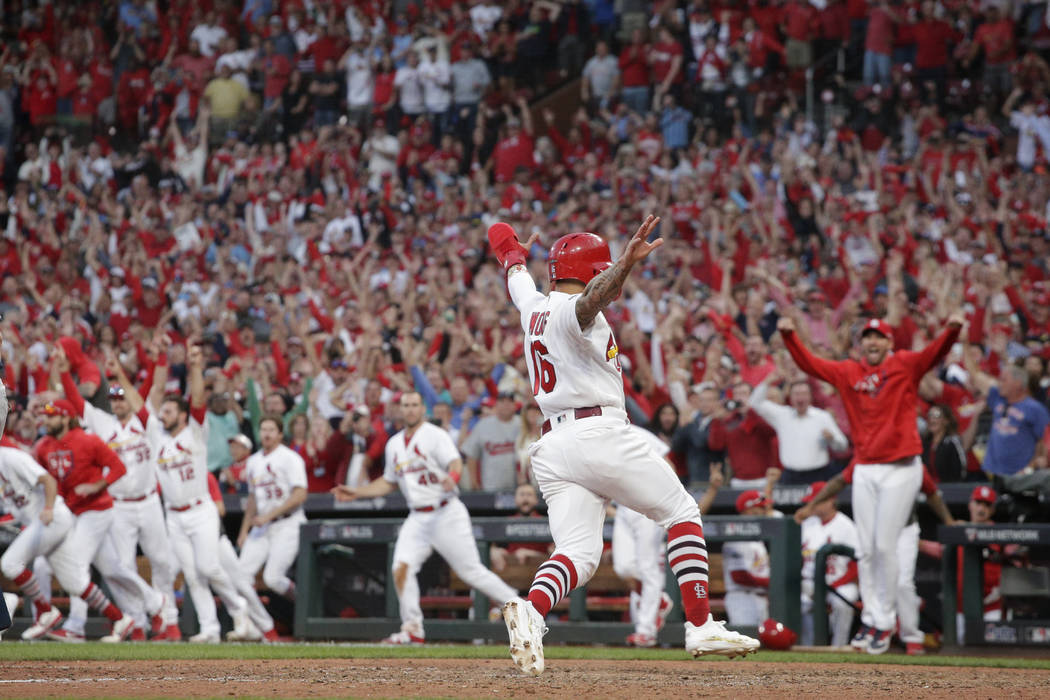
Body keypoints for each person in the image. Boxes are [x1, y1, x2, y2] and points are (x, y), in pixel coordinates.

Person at [489, 217, 758, 676]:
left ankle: (531, 612)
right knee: (681, 512)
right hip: (597, 432)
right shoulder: (572, 310)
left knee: (578, 552)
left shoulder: (532, 303)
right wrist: (624, 269)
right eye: (603, 269)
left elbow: (512, 263)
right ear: (594, 271)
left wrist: (511, 246)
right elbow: (593, 299)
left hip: (553, 445)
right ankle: (700, 625)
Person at [778, 314, 963, 654]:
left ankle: (884, 622)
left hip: (902, 466)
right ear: (861, 343)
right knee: (865, 550)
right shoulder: (849, 371)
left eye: (879, 337)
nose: (873, 342)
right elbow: (812, 364)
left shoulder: (905, 364)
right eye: (868, 337)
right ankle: (873, 621)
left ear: (890, 343)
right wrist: (789, 337)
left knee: (883, 545)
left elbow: (934, 353)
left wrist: (952, 330)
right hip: (865, 466)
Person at [331, 391, 518, 645]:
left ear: (422, 409)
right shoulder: (394, 443)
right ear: (399, 409)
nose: (409, 410)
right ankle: (412, 629)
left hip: (446, 511)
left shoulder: (435, 435)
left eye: (414, 405)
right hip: (418, 516)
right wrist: (356, 492)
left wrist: (451, 480)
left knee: (472, 572)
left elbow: (455, 464)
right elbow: (388, 482)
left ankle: (521, 608)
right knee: (401, 568)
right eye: (405, 405)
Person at [56, 347, 180, 640]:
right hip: (119, 506)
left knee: (161, 561)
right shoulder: (103, 422)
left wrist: (119, 375)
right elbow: (75, 400)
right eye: (114, 398)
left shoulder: (145, 423)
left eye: (122, 397)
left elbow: (150, 393)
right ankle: (137, 622)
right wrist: (63, 371)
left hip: (148, 500)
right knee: (123, 566)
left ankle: (169, 620)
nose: (118, 402)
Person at [140, 344, 252, 643]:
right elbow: (146, 401)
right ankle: (210, 629)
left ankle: (240, 611)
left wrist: (195, 367)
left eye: (168, 410)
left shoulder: (195, 431)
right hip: (174, 516)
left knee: (208, 567)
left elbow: (199, 398)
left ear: (182, 414)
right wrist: (159, 363)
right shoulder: (158, 440)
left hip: (200, 509)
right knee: (191, 575)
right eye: (162, 410)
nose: (162, 415)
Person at [797, 462, 957, 655]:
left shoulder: (913, 463)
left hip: (904, 530)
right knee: (871, 574)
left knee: (902, 583)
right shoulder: (868, 457)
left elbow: (932, 493)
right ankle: (872, 624)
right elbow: (839, 481)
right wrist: (812, 505)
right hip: (874, 529)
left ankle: (911, 637)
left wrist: (948, 520)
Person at [33, 399, 151, 642]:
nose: (46, 421)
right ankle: (156, 602)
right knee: (112, 569)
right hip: (72, 512)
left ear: (66, 418)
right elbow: (45, 481)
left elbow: (118, 467)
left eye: (52, 416)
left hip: (97, 509)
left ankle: (76, 626)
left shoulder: (88, 439)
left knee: (75, 564)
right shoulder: (44, 446)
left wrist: (97, 485)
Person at [918, 485, 1015, 644]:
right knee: (961, 648)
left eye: (987, 505)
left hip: (992, 605)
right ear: (970, 504)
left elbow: (1016, 552)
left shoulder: (1000, 534)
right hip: (962, 608)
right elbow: (941, 550)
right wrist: (916, 542)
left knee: (995, 648)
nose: (981, 509)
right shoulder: (959, 531)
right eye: (978, 503)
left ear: (993, 510)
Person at [611, 424, 675, 648]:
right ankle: (659, 601)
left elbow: (668, 462)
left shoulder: (634, 432)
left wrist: (670, 502)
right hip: (623, 507)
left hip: (648, 506)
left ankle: (646, 631)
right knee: (623, 567)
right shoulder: (595, 436)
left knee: (647, 567)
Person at [236, 414, 308, 602]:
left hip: (288, 523)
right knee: (240, 577)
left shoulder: (290, 458)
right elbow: (252, 499)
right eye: (263, 430)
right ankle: (257, 624)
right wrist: (244, 530)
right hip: (261, 526)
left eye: (271, 430)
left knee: (273, 578)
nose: (266, 434)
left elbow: (300, 495)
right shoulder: (253, 461)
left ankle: (303, 605)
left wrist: (268, 516)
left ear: (280, 434)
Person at [207, 471, 279, 642]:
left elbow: (221, 509)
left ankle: (266, 629)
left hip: (215, 536)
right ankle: (248, 626)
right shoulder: (174, 479)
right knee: (201, 579)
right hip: (191, 539)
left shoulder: (206, 477)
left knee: (240, 582)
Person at [749, 374, 849, 490]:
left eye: (804, 394)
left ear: (810, 397)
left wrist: (832, 439)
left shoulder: (822, 417)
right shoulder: (782, 415)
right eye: (796, 394)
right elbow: (755, 402)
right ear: (790, 397)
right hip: (790, 477)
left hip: (818, 475)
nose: (800, 398)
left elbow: (843, 446)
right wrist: (768, 381)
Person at [962, 357, 1049, 479]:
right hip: (992, 473)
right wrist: (965, 343)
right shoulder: (997, 397)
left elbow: (1044, 445)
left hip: (1019, 478)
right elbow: (976, 376)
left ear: (1018, 383)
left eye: (1004, 380)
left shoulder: (1036, 409)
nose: (1000, 383)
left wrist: (1030, 468)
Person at [796, 481, 859, 647]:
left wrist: (836, 585)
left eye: (817, 501)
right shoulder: (807, 524)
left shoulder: (846, 526)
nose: (812, 505)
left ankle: (838, 646)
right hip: (809, 582)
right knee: (800, 602)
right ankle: (807, 648)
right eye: (811, 501)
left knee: (842, 603)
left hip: (839, 582)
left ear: (831, 500)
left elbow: (856, 564)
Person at [722, 491, 771, 627]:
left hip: (759, 597)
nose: (764, 511)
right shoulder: (736, 537)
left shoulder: (757, 537)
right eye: (761, 508)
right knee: (745, 641)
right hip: (741, 597)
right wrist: (772, 583)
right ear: (748, 510)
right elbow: (738, 576)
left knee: (762, 645)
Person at [461, 391, 520, 490]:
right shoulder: (483, 425)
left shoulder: (523, 424)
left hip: (521, 487)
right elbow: (471, 455)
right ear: (496, 405)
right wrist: (473, 481)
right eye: (502, 402)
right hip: (491, 487)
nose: (506, 405)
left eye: (509, 402)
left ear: (515, 405)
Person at [489, 482, 551, 573]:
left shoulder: (547, 522)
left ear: (536, 500)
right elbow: (491, 546)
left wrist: (531, 554)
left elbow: (554, 553)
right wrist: (493, 552)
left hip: (540, 574)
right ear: (515, 499)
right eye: (522, 494)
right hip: (512, 574)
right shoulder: (506, 522)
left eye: (529, 495)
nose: (525, 498)